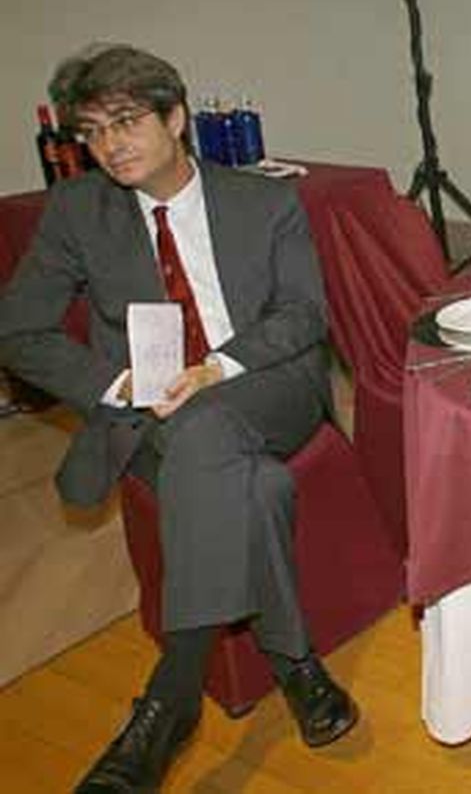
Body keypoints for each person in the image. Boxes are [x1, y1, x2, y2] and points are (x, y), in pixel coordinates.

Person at [0, 45, 358, 792]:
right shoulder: (77, 210)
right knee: (250, 484)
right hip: (153, 410)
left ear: (176, 118)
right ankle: (297, 665)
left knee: (207, 427)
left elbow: (302, 315)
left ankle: (170, 698)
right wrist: (118, 383)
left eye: (127, 122)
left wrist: (216, 369)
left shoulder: (266, 201)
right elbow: (18, 329)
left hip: (264, 385)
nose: (110, 145)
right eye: (93, 131)